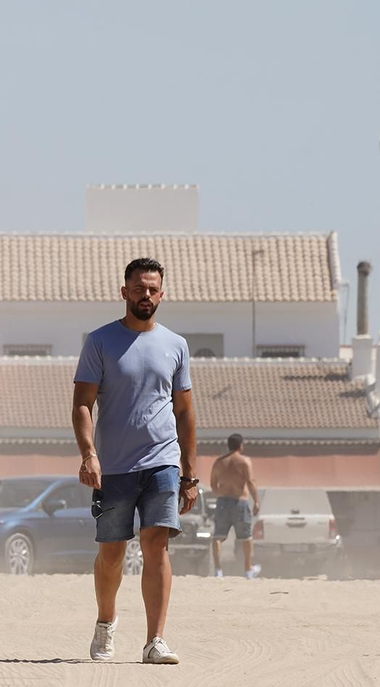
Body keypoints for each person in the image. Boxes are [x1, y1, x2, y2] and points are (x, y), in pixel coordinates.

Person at [71, 257, 197, 665]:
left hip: (162, 460)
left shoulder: (176, 345)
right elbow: (82, 405)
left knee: (156, 542)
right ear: (124, 292)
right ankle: (106, 622)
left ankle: (154, 641)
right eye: (139, 288)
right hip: (114, 467)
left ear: (162, 294)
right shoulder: (100, 341)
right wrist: (89, 454)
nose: (146, 295)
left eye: (153, 289)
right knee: (112, 553)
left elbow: (185, 412)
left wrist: (190, 473)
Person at [209, 433, 260, 578]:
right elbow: (250, 482)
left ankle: (218, 570)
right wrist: (256, 500)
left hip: (223, 501)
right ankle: (248, 569)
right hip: (240, 502)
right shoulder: (244, 461)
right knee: (246, 537)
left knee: (218, 536)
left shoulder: (219, 462)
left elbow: (213, 483)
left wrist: (220, 494)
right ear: (240, 446)